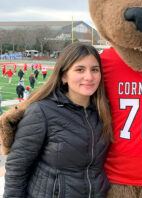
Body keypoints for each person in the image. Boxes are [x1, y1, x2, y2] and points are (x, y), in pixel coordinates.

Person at [4, 42, 112, 197]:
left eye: (95, 70)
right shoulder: (42, 111)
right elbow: (17, 168)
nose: (89, 77)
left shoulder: (102, 111)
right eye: (80, 69)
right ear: (64, 76)